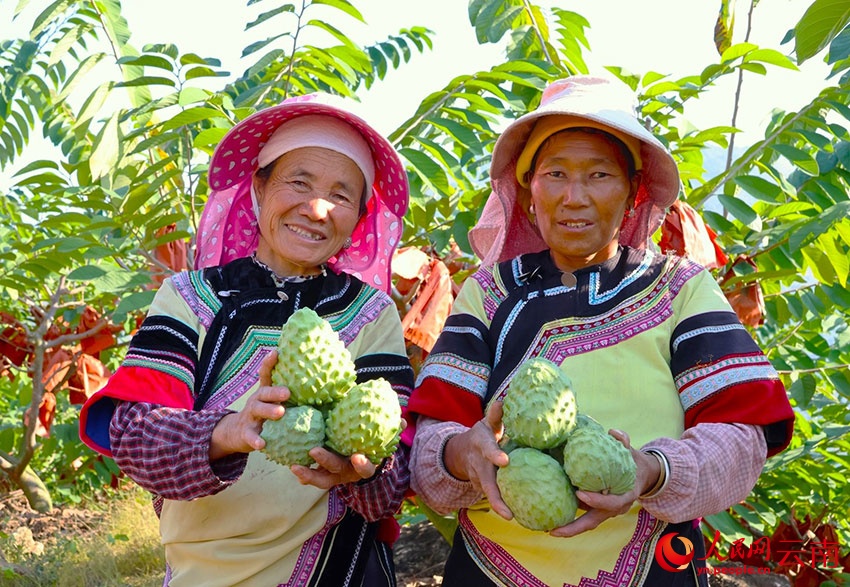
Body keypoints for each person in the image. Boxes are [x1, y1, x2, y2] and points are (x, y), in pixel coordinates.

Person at [404, 75, 795, 587]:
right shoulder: (488, 293)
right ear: (528, 190)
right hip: (491, 570)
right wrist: (462, 455)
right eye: (555, 174)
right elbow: (430, 446)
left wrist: (651, 471)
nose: (574, 197)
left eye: (599, 175)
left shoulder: (680, 289)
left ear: (633, 192)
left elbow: (742, 438)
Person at [79, 93, 414, 587]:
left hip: (339, 570)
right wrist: (229, 432)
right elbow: (134, 436)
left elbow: (398, 473)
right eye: (298, 182)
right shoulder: (190, 297)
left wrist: (361, 471)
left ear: (359, 216)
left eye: (341, 195)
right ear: (259, 187)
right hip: (205, 573)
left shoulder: (370, 313)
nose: (317, 209)